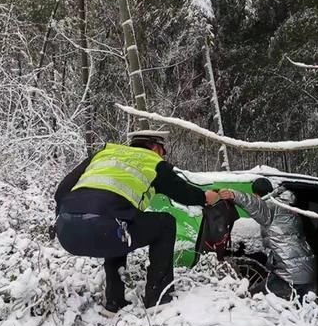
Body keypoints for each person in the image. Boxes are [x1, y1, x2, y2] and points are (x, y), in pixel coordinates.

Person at [53, 130, 219, 316]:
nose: (164, 156)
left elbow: (61, 191)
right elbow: (182, 192)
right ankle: (158, 299)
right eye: (164, 152)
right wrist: (205, 197)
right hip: (104, 231)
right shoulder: (152, 162)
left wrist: (65, 219)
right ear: (156, 147)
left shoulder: (104, 154)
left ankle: (113, 304)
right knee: (164, 223)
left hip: (66, 233)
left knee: (119, 222)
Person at [219, 178, 317, 299]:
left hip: (290, 275)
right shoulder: (287, 206)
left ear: (256, 194)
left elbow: (254, 204)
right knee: (299, 310)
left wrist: (234, 195)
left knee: (253, 298)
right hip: (306, 270)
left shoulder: (271, 207)